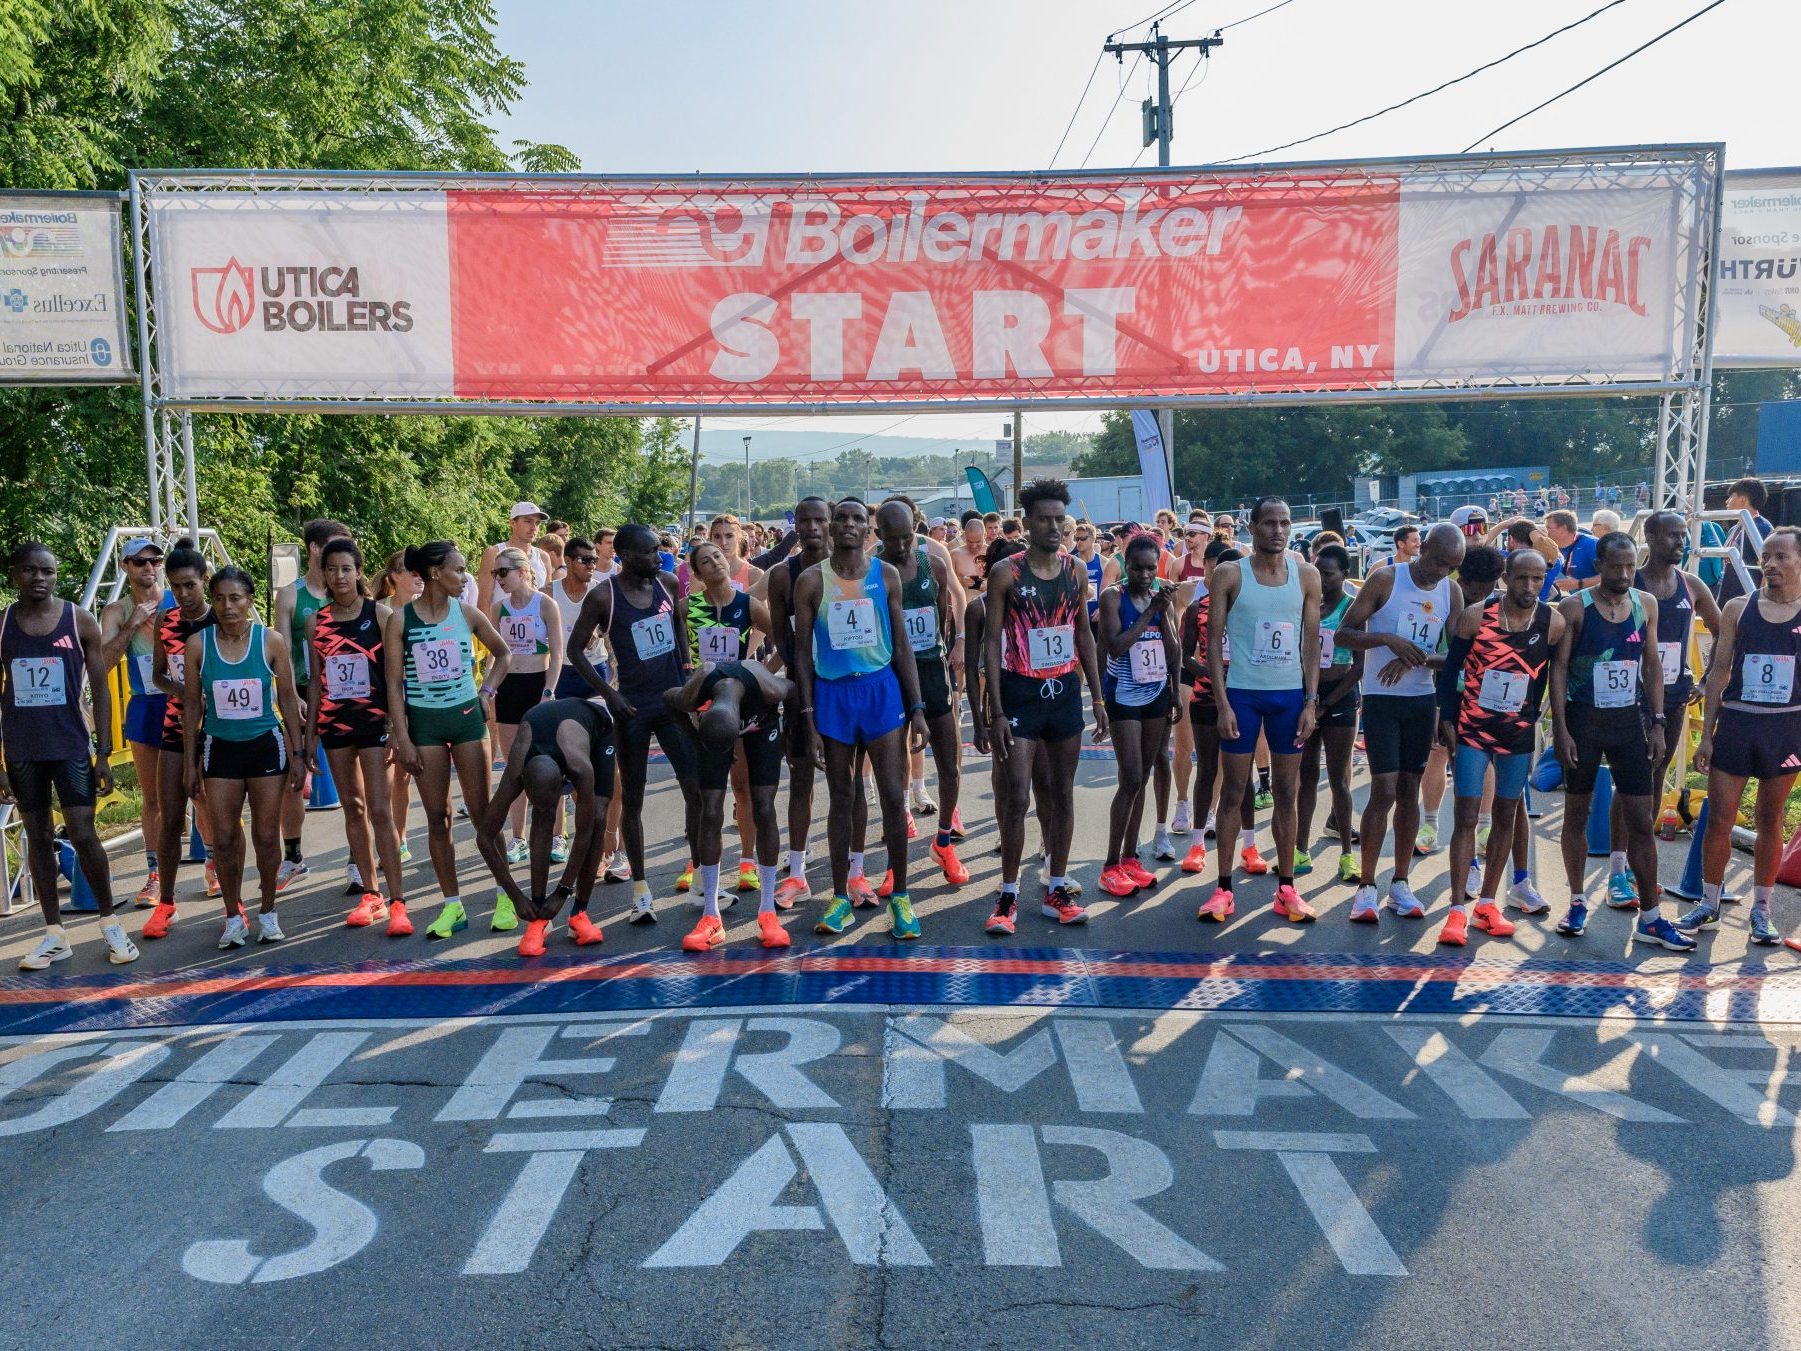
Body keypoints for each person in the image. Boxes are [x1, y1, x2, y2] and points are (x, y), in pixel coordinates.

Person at [794, 497, 931, 940]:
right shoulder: (811, 581)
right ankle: (839, 897)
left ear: (868, 528)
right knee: (841, 797)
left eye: (858, 518)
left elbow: (903, 645)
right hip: (833, 693)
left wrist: (917, 708)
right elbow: (800, 652)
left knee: (893, 796)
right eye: (843, 518)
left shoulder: (885, 575)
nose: (850, 524)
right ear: (832, 526)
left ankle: (901, 897)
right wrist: (809, 717)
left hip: (880, 690)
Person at [1548, 532, 1692, 950]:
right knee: (1577, 813)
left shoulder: (1644, 605)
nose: (1625, 574)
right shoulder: (1576, 607)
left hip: (1629, 721)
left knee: (1641, 819)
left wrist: (1660, 723)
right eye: (1616, 566)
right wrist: (1560, 729)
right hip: (1583, 721)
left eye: (1631, 566)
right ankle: (1576, 902)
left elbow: (1651, 664)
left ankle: (1651, 917)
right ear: (1601, 566)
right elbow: (1558, 671)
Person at [1, 543, 137, 969]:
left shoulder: (78, 620)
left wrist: (103, 752)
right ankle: (54, 933)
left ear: (56, 575)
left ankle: (111, 923)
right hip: (23, 749)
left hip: (70, 745)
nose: (39, 578)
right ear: (14, 575)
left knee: (82, 832)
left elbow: (100, 688)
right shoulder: (3, 625)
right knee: (38, 836)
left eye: (48, 571)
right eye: (30, 570)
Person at [986, 479, 1108, 930]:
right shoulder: (1007, 573)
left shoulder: (1076, 571)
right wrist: (994, 710)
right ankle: (1007, 894)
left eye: (1061, 518)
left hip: (1063, 697)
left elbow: (1083, 637)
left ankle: (1056, 886)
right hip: (1021, 697)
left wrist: (1097, 697)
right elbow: (990, 645)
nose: (1055, 526)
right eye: (1045, 519)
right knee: (1017, 796)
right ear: (1029, 522)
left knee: (1061, 794)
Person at [566, 523, 700, 923]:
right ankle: (642, 890)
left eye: (659, 549)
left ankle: (700, 876)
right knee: (635, 798)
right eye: (649, 551)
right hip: (633, 710)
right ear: (625, 555)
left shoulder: (666, 581)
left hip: (672, 702)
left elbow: (677, 622)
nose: (658, 556)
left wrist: (686, 667)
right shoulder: (603, 596)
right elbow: (575, 650)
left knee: (694, 788)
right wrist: (610, 694)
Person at [383, 540, 515, 940]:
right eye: (459, 571)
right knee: (437, 819)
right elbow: (392, 683)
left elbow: (503, 654)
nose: (466, 578)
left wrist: (486, 691)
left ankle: (505, 897)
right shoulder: (400, 620)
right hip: (424, 727)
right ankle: (452, 906)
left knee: (483, 816)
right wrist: (401, 736)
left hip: (466, 721)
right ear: (435, 573)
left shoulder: (468, 613)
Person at [1335, 524, 1464, 922]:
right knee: (1384, 790)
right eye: (1438, 561)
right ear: (1421, 548)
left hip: (1421, 700)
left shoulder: (1451, 591)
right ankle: (1366, 887)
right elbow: (1344, 633)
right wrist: (1389, 640)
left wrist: (1420, 658)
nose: (1442, 572)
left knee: (1410, 790)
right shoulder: (1386, 578)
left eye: (1451, 566)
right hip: (1382, 699)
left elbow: (1456, 656)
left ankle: (1401, 884)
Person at [1435, 549, 1563, 945]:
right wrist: (1447, 719)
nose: (1529, 587)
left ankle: (1487, 904)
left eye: (1537, 579)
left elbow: (1554, 678)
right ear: (1505, 576)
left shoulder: (1552, 622)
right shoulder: (1476, 616)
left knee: (1507, 817)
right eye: (1521, 578)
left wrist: (1555, 725)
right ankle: (1457, 910)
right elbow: (1451, 669)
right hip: (1474, 729)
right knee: (1467, 817)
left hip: (1518, 734)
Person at [1202, 498, 1320, 923]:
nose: (1278, 530)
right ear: (1251, 527)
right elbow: (1213, 642)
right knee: (1234, 793)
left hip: (1289, 696)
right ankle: (1223, 889)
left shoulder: (1306, 575)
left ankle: (1286, 888)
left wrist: (1311, 700)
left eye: (1285, 523)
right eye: (1269, 522)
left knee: (1287, 793)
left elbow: (1312, 642)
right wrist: (1222, 703)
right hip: (1244, 696)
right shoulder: (1230, 574)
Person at [1682, 527, 1799, 943]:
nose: (1770, 565)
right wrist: (1708, 734)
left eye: (1781, 557)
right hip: (1737, 723)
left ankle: (1762, 910)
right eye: (1765, 557)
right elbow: (1718, 671)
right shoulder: (1737, 606)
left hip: (1786, 727)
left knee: (1771, 818)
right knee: (1720, 817)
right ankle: (1709, 902)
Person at [183, 566, 308, 949]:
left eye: (235, 597)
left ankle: (268, 912)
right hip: (220, 747)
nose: (227, 605)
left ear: (250, 600)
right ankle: (233, 915)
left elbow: (287, 698)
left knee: (267, 836)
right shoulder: (198, 645)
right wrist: (190, 762)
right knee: (223, 839)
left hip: (264, 745)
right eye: (219, 598)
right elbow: (191, 707)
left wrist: (298, 752)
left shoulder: (270, 641)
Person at [1603, 511, 1719, 906]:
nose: (1680, 542)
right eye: (1672, 535)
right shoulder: (1628, 581)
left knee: (1655, 776)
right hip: (1627, 696)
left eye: (1684, 535)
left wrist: (1704, 682)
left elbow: (1725, 633)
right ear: (1649, 537)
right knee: (1630, 779)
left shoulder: (1692, 585)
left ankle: (1641, 865)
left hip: (1671, 696)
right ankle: (1617, 871)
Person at [306, 538, 408, 935]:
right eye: (331, 569)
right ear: (324, 574)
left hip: (373, 723)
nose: (339, 576)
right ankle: (372, 893)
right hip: (334, 725)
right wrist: (309, 735)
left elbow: (395, 677)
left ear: (359, 572)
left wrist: (397, 728)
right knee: (352, 807)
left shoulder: (380, 614)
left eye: (346, 568)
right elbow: (315, 682)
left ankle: (398, 899)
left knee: (380, 809)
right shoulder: (316, 621)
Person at [665, 660, 792, 950]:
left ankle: (768, 912)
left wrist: (792, 734)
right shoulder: (695, 691)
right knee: (709, 809)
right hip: (712, 730)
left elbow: (794, 691)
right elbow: (667, 700)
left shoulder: (768, 688)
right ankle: (711, 914)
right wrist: (697, 739)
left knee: (764, 807)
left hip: (763, 722)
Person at [478, 695, 615, 956]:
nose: (550, 810)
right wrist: (516, 897)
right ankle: (539, 919)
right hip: (541, 727)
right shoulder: (515, 771)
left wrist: (563, 892)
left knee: (597, 817)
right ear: (524, 785)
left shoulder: (579, 767)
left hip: (597, 727)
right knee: (542, 819)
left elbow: (584, 832)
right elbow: (484, 837)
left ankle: (580, 914)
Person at [876, 501, 969, 885]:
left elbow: (944, 615)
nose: (900, 545)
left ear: (915, 529)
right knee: (892, 768)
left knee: (950, 760)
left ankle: (944, 840)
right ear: (879, 535)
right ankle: (894, 862)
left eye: (906, 536)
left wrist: (954, 648)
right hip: (891, 674)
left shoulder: (935, 564)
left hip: (931, 668)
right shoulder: (872, 571)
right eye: (892, 538)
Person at [683, 540, 771, 896]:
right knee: (706, 793)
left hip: (741, 703)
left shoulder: (747, 603)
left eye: (718, 557)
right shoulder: (686, 608)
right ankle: (703, 866)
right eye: (706, 561)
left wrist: (759, 673)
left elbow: (783, 638)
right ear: (698, 573)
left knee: (743, 785)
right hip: (703, 706)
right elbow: (677, 657)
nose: (715, 563)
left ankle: (747, 861)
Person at [141, 541, 220, 939]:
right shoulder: (166, 620)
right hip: (176, 726)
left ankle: (233, 900)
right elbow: (156, 675)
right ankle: (167, 904)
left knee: (220, 819)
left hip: (222, 727)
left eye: (190, 585)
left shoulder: (223, 617)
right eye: (175, 586)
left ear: (204, 580)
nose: (183, 594)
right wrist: (183, 691)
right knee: (171, 817)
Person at [1097, 535, 1180, 897]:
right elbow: (1115, 644)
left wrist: (1176, 690)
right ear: (1125, 565)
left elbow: (1173, 647)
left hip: (1157, 691)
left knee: (1144, 775)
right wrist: (1149, 612)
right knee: (1130, 777)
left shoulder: (1161, 595)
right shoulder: (1113, 597)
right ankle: (1110, 864)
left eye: (1151, 568)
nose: (1145, 575)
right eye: (1137, 568)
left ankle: (1131, 857)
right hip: (1123, 694)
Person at [272, 518, 351, 892]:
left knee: (355, 779)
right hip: (305, 691)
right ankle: (294, 857)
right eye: (335, 547)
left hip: (347, 693)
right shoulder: (290, 595)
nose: (341, 560)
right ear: (315, 549)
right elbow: (283, 655)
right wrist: (291, 698)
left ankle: (357, 859)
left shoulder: (349, 592)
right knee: (294, 775)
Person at [764, 497, 833, 908]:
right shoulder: (781, 576)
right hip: (801, 688)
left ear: (830, 523)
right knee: (801, 779)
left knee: (848, 781)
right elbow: (784, 642)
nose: (810, 527)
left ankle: (853, 870)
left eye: (817, 520)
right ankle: (797, 872)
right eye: (803, 520)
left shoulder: (849, 571)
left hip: (845, 687)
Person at [99, 536, 174, 906]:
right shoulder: (116, 611)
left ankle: (212, 864)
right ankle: (155, 875)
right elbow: (103, 664)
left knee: (202, 792)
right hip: (145, 705)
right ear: (126, 566)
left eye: (155, 560)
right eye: (140, 561)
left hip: (183, 703)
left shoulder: (179, 598)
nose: (149, 567)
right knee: (153, 798)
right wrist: (133, 624)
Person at [488, 546, 565, 863]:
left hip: (538, 686)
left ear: (522, 571)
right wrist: (488, 688)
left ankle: (558, 836)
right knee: (514, 767)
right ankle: (518, 838)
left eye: (503, 572)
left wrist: (549, 690)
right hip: (509, 688)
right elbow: (495, 654)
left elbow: (558, 654)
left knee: (548, 764)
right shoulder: (498, 609)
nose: (499, 579)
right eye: (495, 573)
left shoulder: (545, 604)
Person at [1296, 543, 1362, 884]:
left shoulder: (1352, 609)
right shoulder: (1309, 605)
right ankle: (1299, 849)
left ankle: (1347, 855)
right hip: (1308, 696)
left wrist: (1326, 702)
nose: (1321, 578)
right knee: (1306, 776)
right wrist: (1310, 698)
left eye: (1329, 573)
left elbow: (1358, 667)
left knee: (1338, 779)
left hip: (1340, 698)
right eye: (1317, 571)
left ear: (1345, 575)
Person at [1176, 540, 1233, 874]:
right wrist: (1209, 672)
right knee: (1194, 755)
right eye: (1214, 566)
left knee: (1238, 771)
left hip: (1240, 697)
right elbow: (1183, 653)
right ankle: (1185, 808)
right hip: (1200, 690)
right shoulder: (1193, 599)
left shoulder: (1247, 606)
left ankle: (1246, 843)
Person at [476, 501, 554, 607]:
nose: (534, 528)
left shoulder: (544, 558)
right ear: (513, 523)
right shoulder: (494, 553)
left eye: (537, 523)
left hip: (536, 622)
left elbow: (547, 602)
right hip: (501, 621)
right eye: (528, 521)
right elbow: (483, 602)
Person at [1719, 476, 1776, 604]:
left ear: (1743, 500)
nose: (1727, 501)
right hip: (1729, 599)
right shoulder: (1735, 528)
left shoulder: (1762, 528)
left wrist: (1761, 604)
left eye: (1731, 497)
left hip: (1748, 602)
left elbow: (1767, 569)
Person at [1544, 510, 1599, 595]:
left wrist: (1579, 583)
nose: (1545, 531)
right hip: (1562, 599)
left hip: (1591, 601)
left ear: (1563, 528)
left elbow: (1612, 575)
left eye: (1548, 528)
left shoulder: (1592, 544)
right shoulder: (1547, 546)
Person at [950, 512, 988, 594]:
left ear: (984, 535)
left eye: (978, 542)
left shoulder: (992, 553)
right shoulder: (955, 554)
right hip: (965, 603)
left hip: (987, 604)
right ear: (964, 536)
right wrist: (961, 581)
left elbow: (1003, 581)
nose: (974, 546)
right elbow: (948, 582)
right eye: (970, 542)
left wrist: (988, 585)